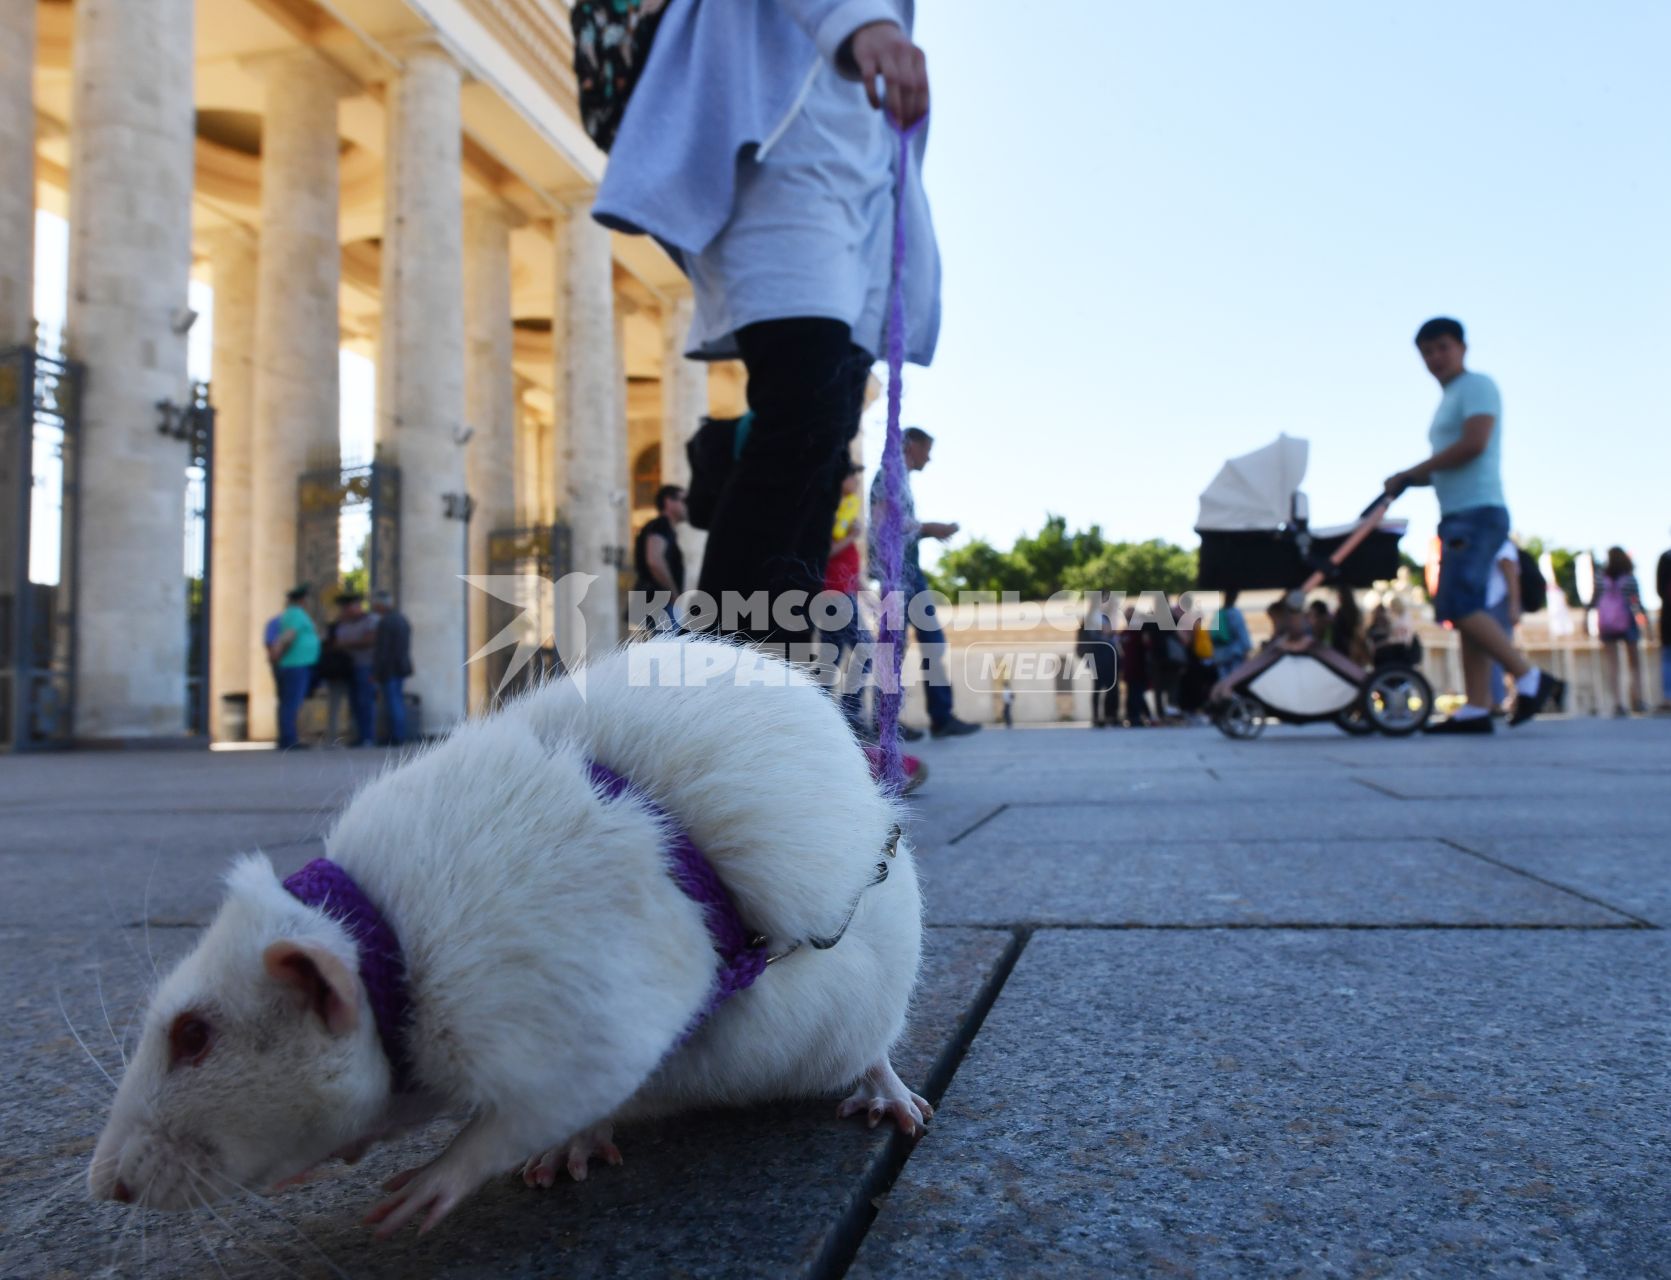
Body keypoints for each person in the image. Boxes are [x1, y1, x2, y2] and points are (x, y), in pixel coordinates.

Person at [594, 2, 936, 655]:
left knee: (827, 434)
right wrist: (862, 22)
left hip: (864, 163)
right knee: (801, 411)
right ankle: (710, 702)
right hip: (778, 135)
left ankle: (776, 700)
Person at [1384, 317, 1561, 733]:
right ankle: (1477, 706)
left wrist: (1413, 471)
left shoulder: (1477, 386)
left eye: (1442, 347)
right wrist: (1411, 478)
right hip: (1458, 513)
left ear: (1462, 347)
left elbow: (1474, 443)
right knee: (1468, 607)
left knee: (1456, 604)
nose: (1435, 358)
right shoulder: (1449, 398)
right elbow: (1448, 462)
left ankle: (1530, 677)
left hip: (1478, 511)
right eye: (1427, 352)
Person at [870, 427, 979, 738]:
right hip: (896, 573)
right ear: (911, 446)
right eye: (926, 450)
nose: (929, 459)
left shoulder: (900, 479)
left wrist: (925, 530)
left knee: (930, 642)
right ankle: (888, 720)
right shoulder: (887, 477)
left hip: (910, 571)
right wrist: (929, 528)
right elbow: (882, 524)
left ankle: (940, 717)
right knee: (895, 646)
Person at [1593, 546, 1647, 716]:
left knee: (1612, 665)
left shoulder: (1600, 577)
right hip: (1628, 622)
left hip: (1607, 624)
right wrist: (1647, 625)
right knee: (1635, 664)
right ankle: (1637, 699)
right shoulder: (1630, 578)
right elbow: (1636, 603)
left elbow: (1594, 600)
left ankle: (1617, 702)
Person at [267, 585, 319, 750]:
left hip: (293, 664)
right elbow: (288, 636)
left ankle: (287, 737)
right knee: (291, 703)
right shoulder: (296, 614)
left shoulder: (290, 614)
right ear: (302, 600)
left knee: (287, 703)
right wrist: (278, 653)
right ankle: (289, 739)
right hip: (295, 664)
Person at [632, 485, 687, 620]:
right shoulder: (661, 525)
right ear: (669, 502)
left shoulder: (663, 527)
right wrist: (674, 594)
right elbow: (654, 560)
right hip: (659, 603)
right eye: (685, 501)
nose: (688, 506)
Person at [330, 592, 379, 746]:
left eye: (349, 607)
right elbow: (336, 642)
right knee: (354, 703)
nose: (346, 611)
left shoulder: (371, 620)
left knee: (366, 702)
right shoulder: (344, 623)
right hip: (349, 668)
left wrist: (345, 644)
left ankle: (368, 737)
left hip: (366, 666)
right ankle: (359, 736)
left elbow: (369, 640)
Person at [371, 590, 414, 746]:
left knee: (393, 702)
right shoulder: (402, 619)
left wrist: (376, 672)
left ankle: (397, 736)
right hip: (400, 666)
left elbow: (383, 650)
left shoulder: (386, 622)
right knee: (397, 701)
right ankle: (398, 734)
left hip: (390, 669)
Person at [1483, 538, 1521, 712]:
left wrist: (1514, 605)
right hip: (1491, 604)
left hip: (1498, 604)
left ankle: (1498, 700)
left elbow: (1511, 573)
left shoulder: (1501, 544)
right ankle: (1495, 698)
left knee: (1497, 653)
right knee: (1492, 654)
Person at [1120, 607, 1155, 726]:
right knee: (1133, 694)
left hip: (1140, 669)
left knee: (1137, 694)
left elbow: (1148, 647)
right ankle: (1136, 716)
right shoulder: (1124, 633)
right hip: (1129, 669)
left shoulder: (1141, 632)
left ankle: (1138, 717)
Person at [1211, 589, 1252, 678]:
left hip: (1220, 655)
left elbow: (1213, 635)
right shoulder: (1235, 613)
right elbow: (1242, 634)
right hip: (1234, 655)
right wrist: (1247, 649)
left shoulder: (1219, 613)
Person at [1658, 539, 1671, 713]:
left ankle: (1668, 698)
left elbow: (1659, 589)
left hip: (1669, 615)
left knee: (1668, 658)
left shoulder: (1665, 558)